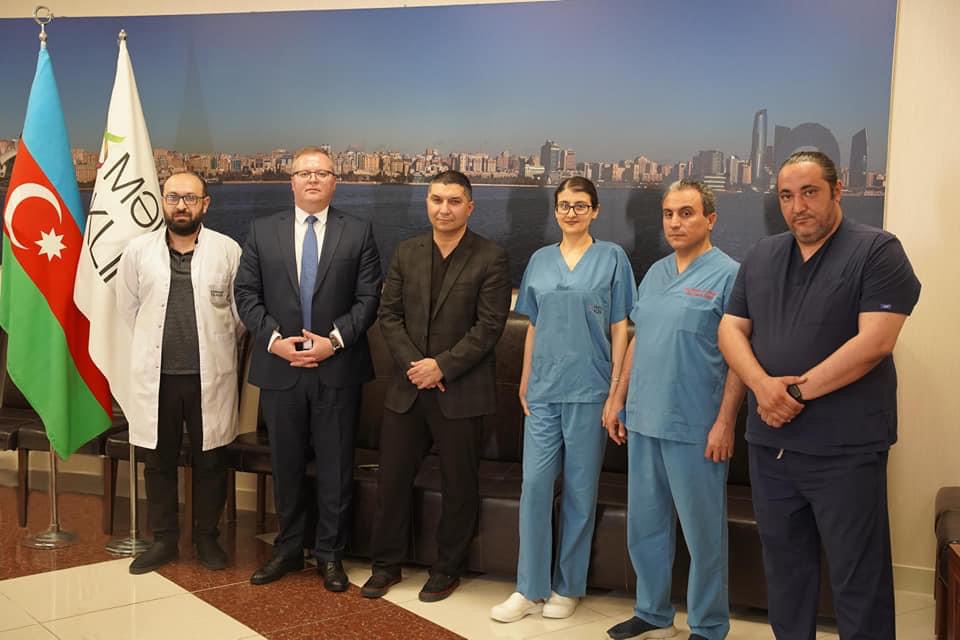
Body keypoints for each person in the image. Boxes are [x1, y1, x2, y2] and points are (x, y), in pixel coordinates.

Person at [718, 151, 921, 639]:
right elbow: (730, 328)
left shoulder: (877, 251)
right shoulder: (762, 256)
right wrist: (763, 387)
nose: (798, 207)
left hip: (845, 451)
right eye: (787, 196)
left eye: (810, 192)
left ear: (837, 191)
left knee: (858, 579)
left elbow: (876, 342)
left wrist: (792, 392)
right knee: (785, 574)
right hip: (772, 449)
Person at [234, 146, 382, 590]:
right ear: (292, 181)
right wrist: (275, 342)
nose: (313, 179)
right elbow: (246, 294)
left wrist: (332, 342)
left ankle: (330, 555)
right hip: (281, 369)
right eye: (304, 173)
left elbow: (369, 298)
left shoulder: (359, 232)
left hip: (337, 368)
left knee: (336, 466)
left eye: (322, 173)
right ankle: (288, 549)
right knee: (286, 465)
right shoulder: (262, 231)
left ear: (335, 181)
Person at [361, 171, 511, 603]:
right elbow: (388, 316)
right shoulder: (406, 252)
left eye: (454, 201)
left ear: (470, 207)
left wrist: (442, 367)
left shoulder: (491, 257)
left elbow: (490, 326)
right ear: (427, 203)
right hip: (408, 388)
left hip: (460, 391)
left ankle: (447, 569)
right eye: (436, 200)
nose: (444, 209)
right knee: (392, 481)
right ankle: (385, 565)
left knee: (459, 486)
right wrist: (417, 366)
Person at [604, 180, 745, 640]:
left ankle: (708, 624)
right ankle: (652, 611)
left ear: (710, 219)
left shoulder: (729, 275)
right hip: (644, 419)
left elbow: (740, 359)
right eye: (668, 214)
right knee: (645, 526)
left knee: (703, 535)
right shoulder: (656, 272)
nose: (675, 223)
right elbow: (639, 338)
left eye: (686, 213)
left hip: (695, 425)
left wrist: (725, 422)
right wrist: (617, 398)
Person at [491, 176, 635, 622]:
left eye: (580, 205)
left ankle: (568, 586)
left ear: (595, 211)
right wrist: (524, 379)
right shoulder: (540, 260)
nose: (571, 213)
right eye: (564, 205)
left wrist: (615, 388)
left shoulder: (612, 258)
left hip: (591, 390)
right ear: (555, 211)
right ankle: (528, 587)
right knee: (534, 486)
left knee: (579, 489)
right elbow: (533, 326)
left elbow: (620, 327)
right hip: (543, 391)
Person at [116, 170, 244, 574]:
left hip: (209, 375)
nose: (181, 206)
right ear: (163, 202)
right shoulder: (138, 251)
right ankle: (164, 540)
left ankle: (207, 539)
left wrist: (212, 343)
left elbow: (239, 316)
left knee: (211, 460)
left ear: (206, 203)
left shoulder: (228, 250)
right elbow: (128, 307)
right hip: (158, 377)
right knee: (159, 460)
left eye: (190, 198)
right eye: (173, 197)